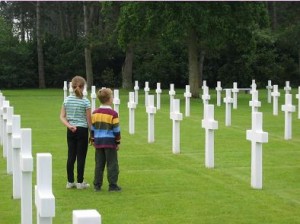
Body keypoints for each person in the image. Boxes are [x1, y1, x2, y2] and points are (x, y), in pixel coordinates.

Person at [60, 76, 91, 189]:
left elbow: (62, 117)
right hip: (82, 130)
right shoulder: (85, 101)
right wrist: (92, 132)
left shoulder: (67, 100)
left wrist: (69, 126)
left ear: (71, 87)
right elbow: (88, 120)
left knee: (71, 155)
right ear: (83, 87)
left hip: (71, 130)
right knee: (81, 156)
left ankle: (70, 181)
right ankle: (80, 182)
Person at [90, 88, 121, 192]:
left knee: (99, 164)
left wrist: (92, 140)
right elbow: (116, 130)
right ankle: (113, 185)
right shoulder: (113, 114)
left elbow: (92, 128)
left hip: (98, 142)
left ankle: (97, 185)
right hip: (109, 142)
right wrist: (117, 142)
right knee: (112, 164)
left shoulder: (94, 113)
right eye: (112, 96)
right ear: (109, 99)